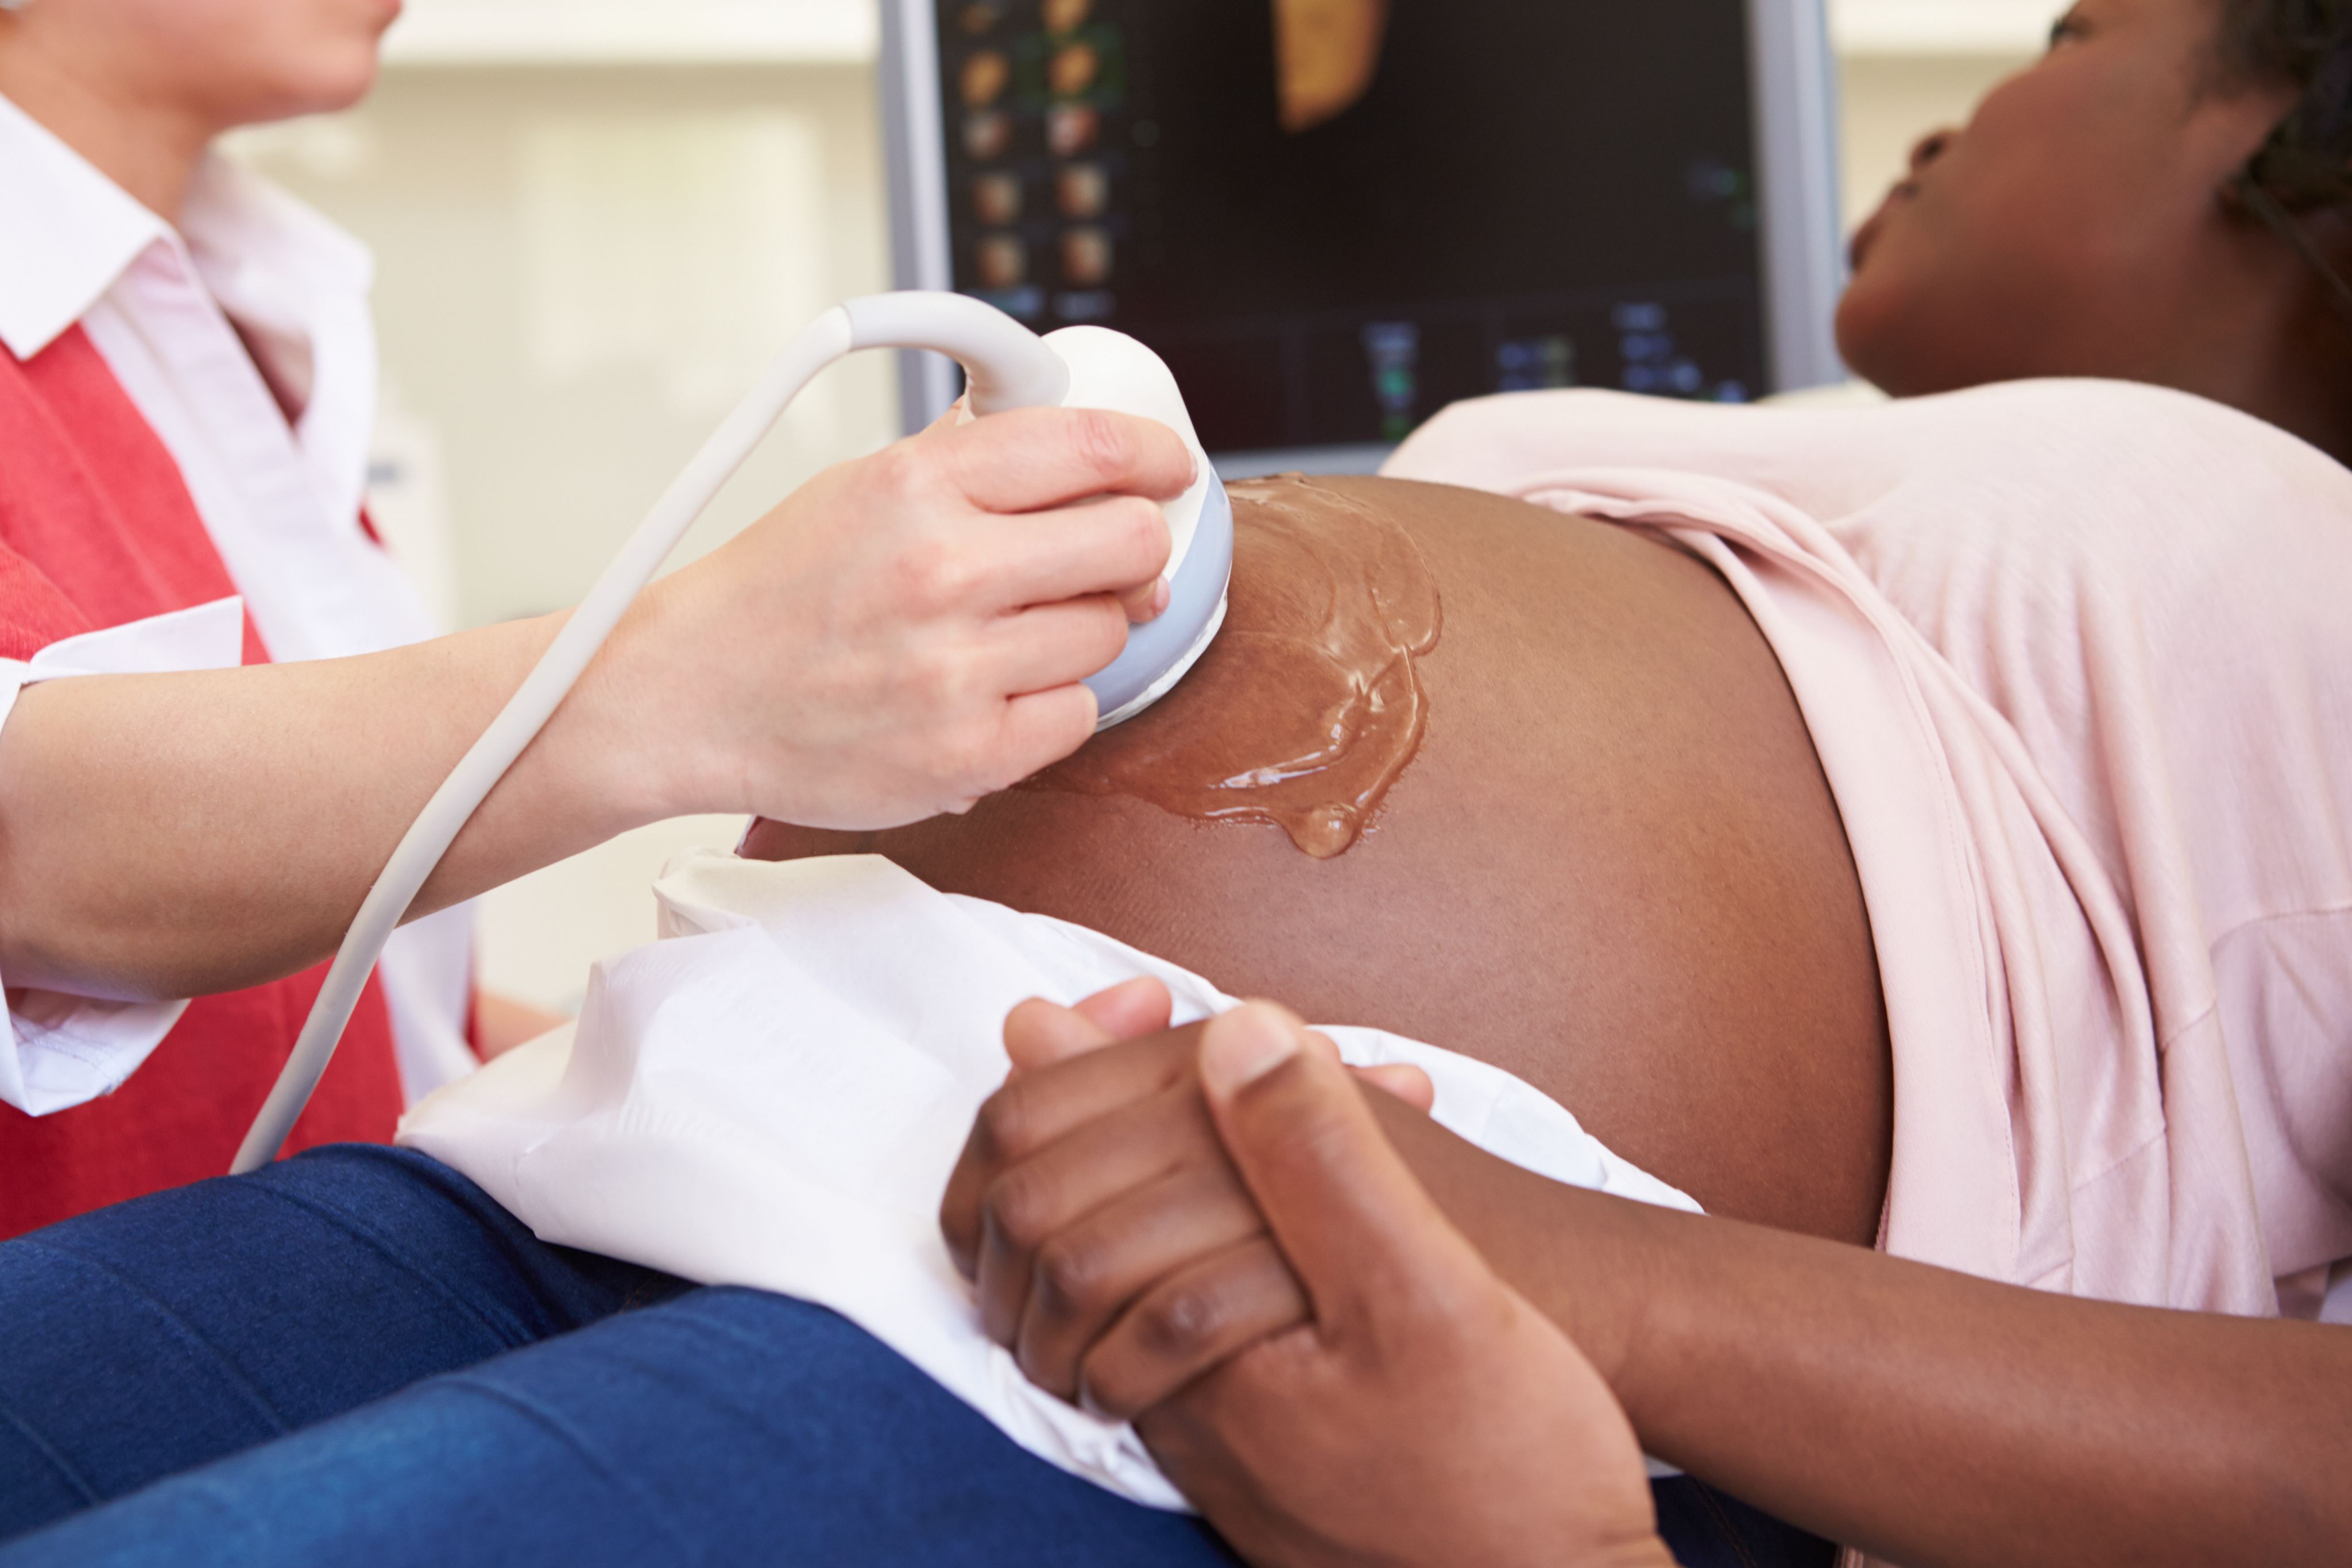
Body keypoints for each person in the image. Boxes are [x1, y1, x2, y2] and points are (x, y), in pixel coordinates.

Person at [0, 0, 2343, 1565]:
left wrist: (1585, 1279)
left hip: (1178, 1355)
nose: (1952, 104)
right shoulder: (1880, 475)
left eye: (2073, 29)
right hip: (666, 1144)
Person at [0, 0, 1183, 1232]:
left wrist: (814, 1094)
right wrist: (697, 673)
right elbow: (30, 840)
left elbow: (374, 1025)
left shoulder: (240, 308)